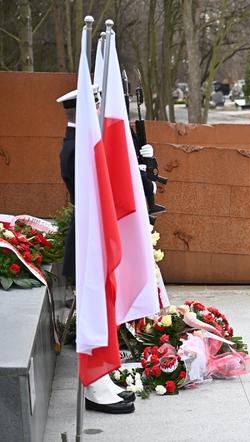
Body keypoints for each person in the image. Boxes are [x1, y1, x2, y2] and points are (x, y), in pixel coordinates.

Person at [57, 87, 136, 413]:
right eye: (97, 103)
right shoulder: (77, 147)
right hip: (87, 243)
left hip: (92, 240)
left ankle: (101, 379)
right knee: (93, 316)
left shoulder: (80, 142)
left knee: (100, 314)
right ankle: (94, 386)